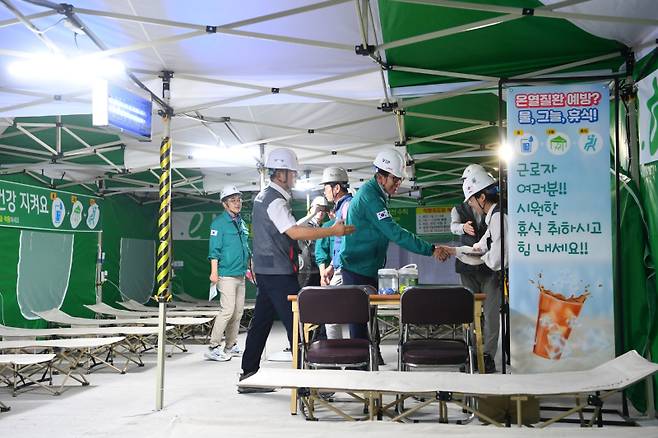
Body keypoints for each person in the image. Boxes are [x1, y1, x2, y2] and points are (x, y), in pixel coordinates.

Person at [238, 148, 355, 393]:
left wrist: (312, 219)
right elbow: (294, 232)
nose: (295, 177)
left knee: (261, 322)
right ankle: (306, 384)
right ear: (281, 173)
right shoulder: (276, 200)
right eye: (292, 173)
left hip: (266, 271)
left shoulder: (263, 197)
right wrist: (332, 231)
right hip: (279, 272)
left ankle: (248, 375)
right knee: (298, 325)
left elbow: (287, 228)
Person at [340, 149, 445, 356]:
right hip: (356, 268)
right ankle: (361, 367)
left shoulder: (377, 193)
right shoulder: (371, 197)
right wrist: (430, 249)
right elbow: (394, 232)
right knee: (360, 320)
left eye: (399, 180)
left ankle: (372, 357)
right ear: (381, 176)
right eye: (395, 179)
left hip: (367, 266)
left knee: (369, 316)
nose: (398, 184)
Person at [437, 164, 508, 373]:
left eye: (471, 200)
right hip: (469, 269)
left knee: (492, 314)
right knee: (470, 313)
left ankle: (487, 355)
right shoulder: (491, 215)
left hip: (492, 271)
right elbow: (480, 247)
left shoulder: (498, 217)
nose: (470, 205)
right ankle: (473, 352)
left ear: (482, 197)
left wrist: (466, 252)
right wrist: (453, 251)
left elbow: (493, 259)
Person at [205, 185, 251, 362]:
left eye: (238, 199)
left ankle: (230, 345)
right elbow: (214, 250)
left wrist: (248, 267)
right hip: (225, 274)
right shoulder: (218, 224)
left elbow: (245, 247)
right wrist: (214, 273)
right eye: (232, 200)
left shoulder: (240, 222)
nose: (237, 203)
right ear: (224, 204)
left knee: (238, 312)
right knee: (227, 310)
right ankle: (213, 346)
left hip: (240, 273)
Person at [319, 166, 352, 339]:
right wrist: (332, 265)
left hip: (346, 267)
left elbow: (346, 241)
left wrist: (335, 265)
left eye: (326, 188)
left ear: (336, 188)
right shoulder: (342, 207)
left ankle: (335, 354)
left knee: (330, 312)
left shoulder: (347, 206)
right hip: (342, 266)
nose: (325, 192)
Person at [297, 196, 329, 288]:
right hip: (305, 271)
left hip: (318, 270)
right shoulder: (306, 224)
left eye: (323, 210)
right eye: (318, 209)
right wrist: (312, 213)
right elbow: (296, 226)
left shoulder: (323, 227)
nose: (321, 212)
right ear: (311, 209)